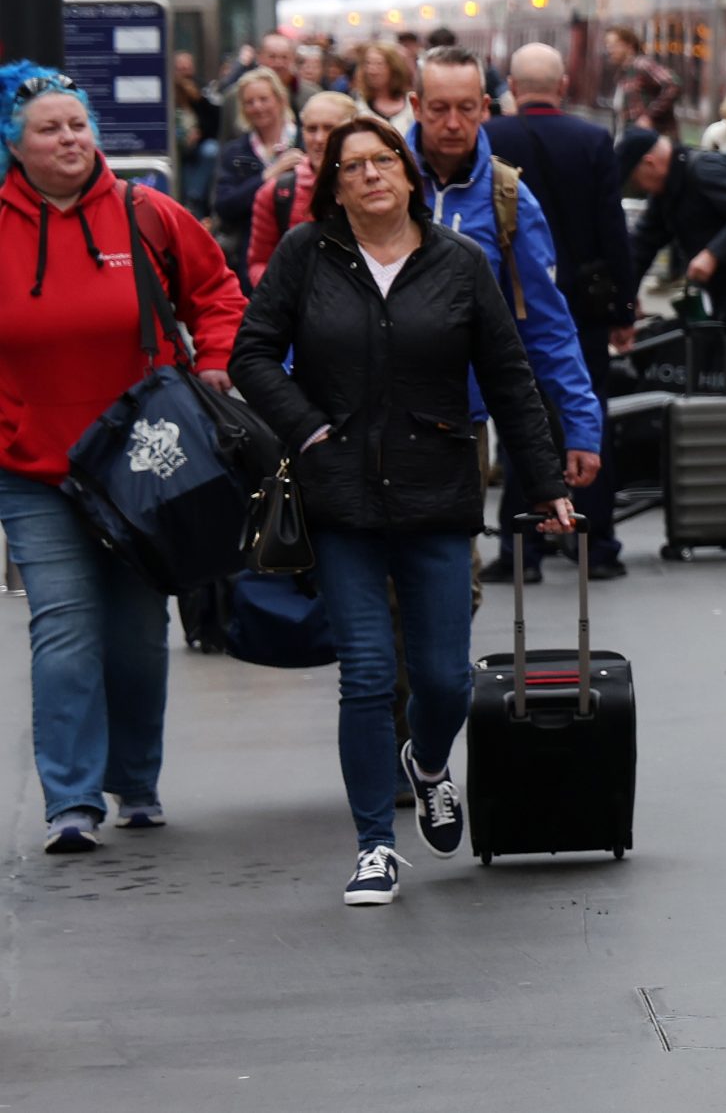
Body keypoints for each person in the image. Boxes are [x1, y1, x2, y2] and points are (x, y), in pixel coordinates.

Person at [231, 117, 576, 906]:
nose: (369, 177)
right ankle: (374, 848)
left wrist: (547, 480)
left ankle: (427, 764)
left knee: (447, 680)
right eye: (351, 167)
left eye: (382, 161)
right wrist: (308, 427)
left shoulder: (459, 262)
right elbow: (249, 352)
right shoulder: (305, 257)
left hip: (437, 491)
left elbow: (511, 374)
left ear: (407, 172)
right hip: (340, 497)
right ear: (334, 185)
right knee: (366, 673)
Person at [0, 64, 246, 853]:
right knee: (65, 626)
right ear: (14, 144)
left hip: (145, 460)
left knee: (139, 632)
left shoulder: (146, 212)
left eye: (79, 125)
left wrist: (216, 358)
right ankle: (71, 800)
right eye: (50, 128)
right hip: (33, 465)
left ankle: (135, 780)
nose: (70, 139)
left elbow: (218, 292)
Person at [406, 47, 604, 570]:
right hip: (366, 416)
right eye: (439, 108)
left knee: (451, 572)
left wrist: (581, 425)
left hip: (459, 420)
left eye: (467, 108)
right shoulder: (377, 181)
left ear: (487, 107)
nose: (454, 123)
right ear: (415, 105)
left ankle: (437, 655)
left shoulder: (507, 197)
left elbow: (546, 322)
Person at [485, 43, 637, 580]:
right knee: (585, 420)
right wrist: (623, 307)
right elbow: (612, 230)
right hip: (579, 310)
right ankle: (595, 548)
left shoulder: (490, 139)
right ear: (565, 83)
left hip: (507, 308)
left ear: (511, 85)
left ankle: (520, 551)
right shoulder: (593, 140)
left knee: (519, 424)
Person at [619, 125, 726, 442]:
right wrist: (626, 304)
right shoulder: (667, 192)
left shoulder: (705, 169)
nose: (639, 188)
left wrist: (712, 254)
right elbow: (641, 248)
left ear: (650, 163)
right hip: (724, 297)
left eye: (636, 178)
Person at [247, 89, 359, 286]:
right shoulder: (277, 193)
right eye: (311, 129)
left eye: (329, 128)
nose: (319, 139)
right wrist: (283, 292)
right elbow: (259, 263)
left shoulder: (374, 184)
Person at [212, 67, 298, 279]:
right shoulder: (235, 151)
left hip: (300, 250)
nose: (257, 107)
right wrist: (267, 176)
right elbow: (224, 206)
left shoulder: (306, 140)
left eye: (263, 99)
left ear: (280, 100)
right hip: (250, 255)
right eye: (249, 102)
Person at [172, 50, 223, 215]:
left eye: (187, 68)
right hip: (178, 150)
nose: (184, 73)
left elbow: (214, 122)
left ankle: (194, 200)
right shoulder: (168, 94)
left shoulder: (201, 90)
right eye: (180, 68)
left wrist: (199, 134)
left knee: (211, 150)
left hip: (199, 147)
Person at [605, 27, 679, 137]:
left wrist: (649, 116)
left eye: (615, 45)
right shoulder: (622, 73)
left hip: (651, 140)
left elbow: (673, 85)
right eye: (608, 45)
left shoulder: (642, 64)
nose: (610, 50)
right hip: (632, 138)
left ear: (629, 45)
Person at [352, 40, 417, 135]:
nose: (372, 70)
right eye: (368, 64)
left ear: (393, 68)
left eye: (379, 64)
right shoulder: (358, 106)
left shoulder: (411, 105)